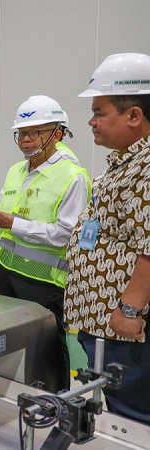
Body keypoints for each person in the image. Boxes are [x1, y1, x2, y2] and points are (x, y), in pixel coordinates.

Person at [0, 96, 91, 393]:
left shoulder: (73, 176)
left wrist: (12, 222)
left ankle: (58, 403)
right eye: (21, 133)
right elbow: (5, 217)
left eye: (34, 132)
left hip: (43, 282)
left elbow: (66, 234)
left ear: (58, 133)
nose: (25, 140)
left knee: (48, 350)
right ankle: (15, 395)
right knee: (10, 346)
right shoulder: (17, 171)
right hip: (5, 275)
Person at [65, 53, 150, 424]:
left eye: (100, 112)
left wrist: (129, 310)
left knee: (132, 414)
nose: (91, 120)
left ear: (133, 115)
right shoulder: (125, 161)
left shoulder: (146, 167)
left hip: (125, 326)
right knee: (118, 407)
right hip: (103, 318)